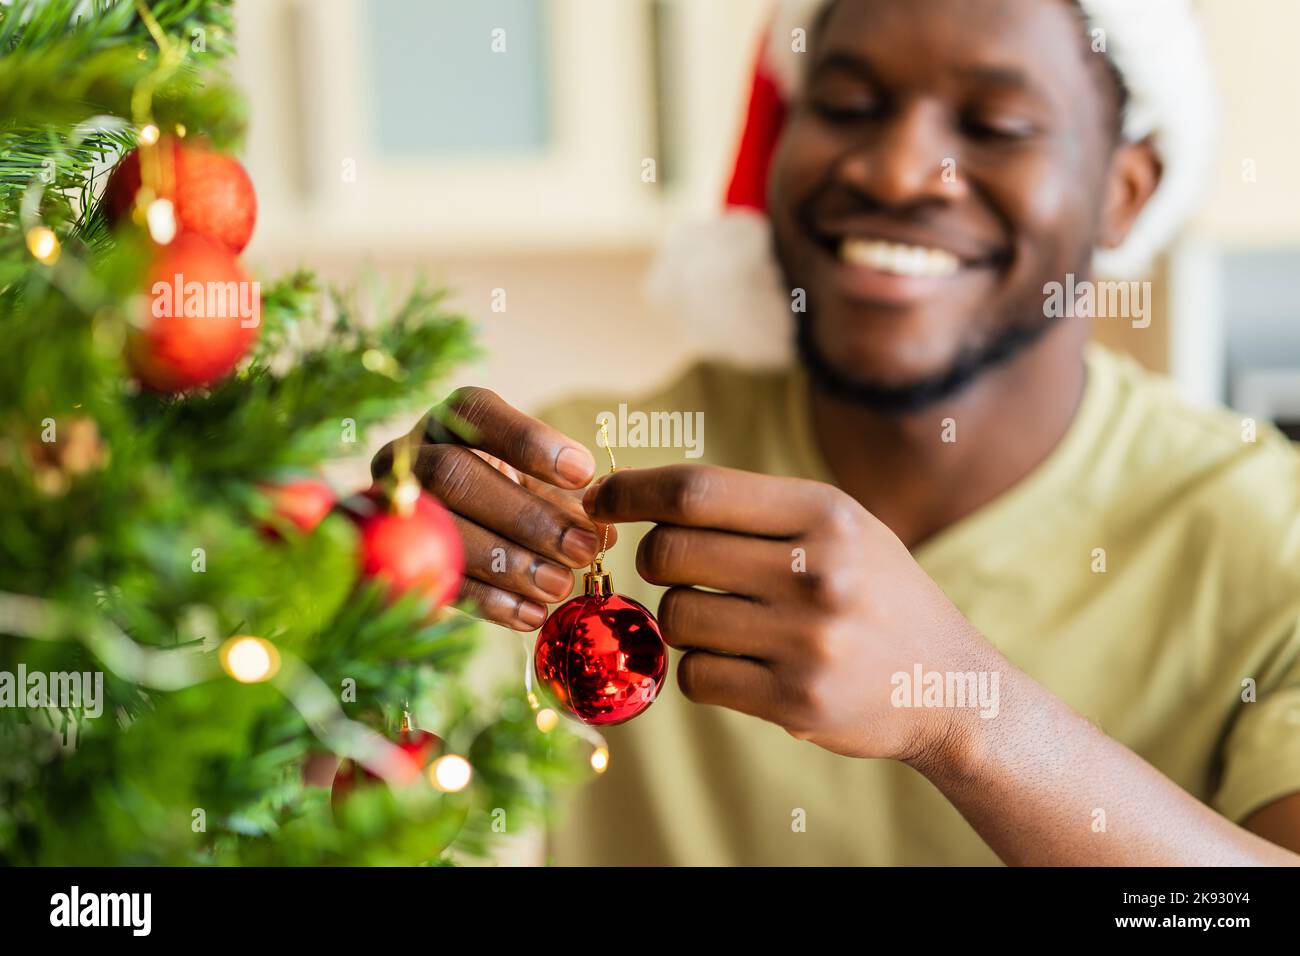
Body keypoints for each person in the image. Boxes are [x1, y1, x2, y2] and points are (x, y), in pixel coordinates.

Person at [373, 0, 1300, 864]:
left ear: (1124, 192)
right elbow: (298, 795)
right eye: (848, 103)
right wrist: (351, 599)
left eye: (995, 125)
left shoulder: (1275, 538)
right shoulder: (568, 481)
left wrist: (965, 716)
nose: (897, 171)